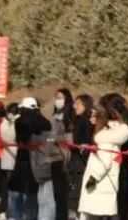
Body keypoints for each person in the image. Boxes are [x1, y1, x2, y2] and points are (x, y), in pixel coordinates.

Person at [77, 96, 128, 220]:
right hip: (106, 186)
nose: (91, 118)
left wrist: (93, 178)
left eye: (94, 115)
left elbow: (104, 162)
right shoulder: (113, 132)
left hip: (98, 187)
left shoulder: (104, 137)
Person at [8, 97, 51, 220]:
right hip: (36, 158)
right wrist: (37, 114)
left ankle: (16, 215)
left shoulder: (20, 120)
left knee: (19, 189)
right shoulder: (37, 120)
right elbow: (47, 125)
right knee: (31, 190)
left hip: (24, 158)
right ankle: (29, 216)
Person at [68, 94, 95, 215]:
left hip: (83, 161)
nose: (75, 106)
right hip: (75, 160)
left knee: (79, 192)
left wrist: (83, 147)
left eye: (78, 104)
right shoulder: (77, 120)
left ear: (85, 105)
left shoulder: (89, 121)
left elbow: (88, 140)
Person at [52, 88, 74, 220]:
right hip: (53, 157)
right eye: (56, 98)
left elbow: (69, 139)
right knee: (56, 191)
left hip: (64, 156)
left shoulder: (70, 117)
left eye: (60, 98)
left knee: (63, 191)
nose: (57, 101)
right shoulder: (55, 116)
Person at [0, 103, 20, 219]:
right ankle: (10, 212)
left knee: (10, 187)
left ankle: (9, 211)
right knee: (11, 188)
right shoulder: (6, 123)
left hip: (11, 157)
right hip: (11, 157)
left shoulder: (6, 123)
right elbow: (9, 137)